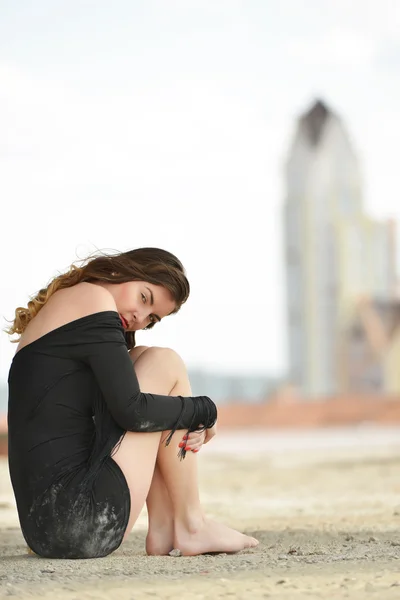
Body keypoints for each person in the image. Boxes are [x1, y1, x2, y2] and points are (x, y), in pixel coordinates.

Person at [6, 247, 259, 559]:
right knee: (165, 362)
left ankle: (167, 528)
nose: (140, 318)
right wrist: (205, 409)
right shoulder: (92, 298)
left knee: (143, 359)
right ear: (118, 272)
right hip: (83, 521)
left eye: (152, 318)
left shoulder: (69, 307)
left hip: (46, 530)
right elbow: (133, 412)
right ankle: (191, 524)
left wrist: (187, 413)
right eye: (144, 297)